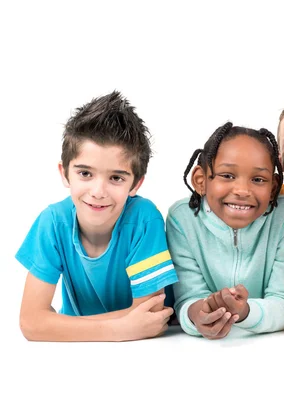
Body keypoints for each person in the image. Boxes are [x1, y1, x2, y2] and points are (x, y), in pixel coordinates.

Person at [16, 91, 178, 342]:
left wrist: (58, 324)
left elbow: (151, 318)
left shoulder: (144, 220)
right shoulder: (53, 222)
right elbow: (30, 323)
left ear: (135, 184)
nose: (98, 192)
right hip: (75, 352)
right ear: (65, 173)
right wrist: (121, 329)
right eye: (85, 174)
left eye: (116, 178)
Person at [167, 122, 284, 339]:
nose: (242, 190)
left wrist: (244, 311)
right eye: (227, 176)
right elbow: (188, 297)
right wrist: (199, 314)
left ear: (273, 188)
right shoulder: (182, 219)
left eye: (258, 179)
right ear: (200, 181)